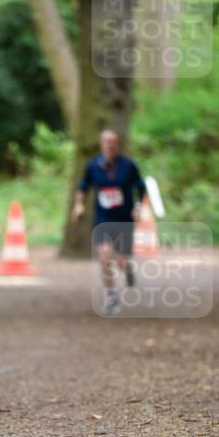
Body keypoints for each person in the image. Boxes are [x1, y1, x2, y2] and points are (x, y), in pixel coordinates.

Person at [71, 129, 146, 315]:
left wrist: (138, 207)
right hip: (103, 218)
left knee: (121, 260)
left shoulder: (128, 166)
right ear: (101, 143)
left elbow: (141, 188)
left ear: (117, 144)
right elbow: (83, 187)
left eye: (113, 142)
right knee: (104, 255)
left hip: (124, 219)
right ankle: (110, 295)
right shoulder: (93, 166)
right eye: (106, 142)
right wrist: (78, 205)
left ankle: (127, 267)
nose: (109, 145)